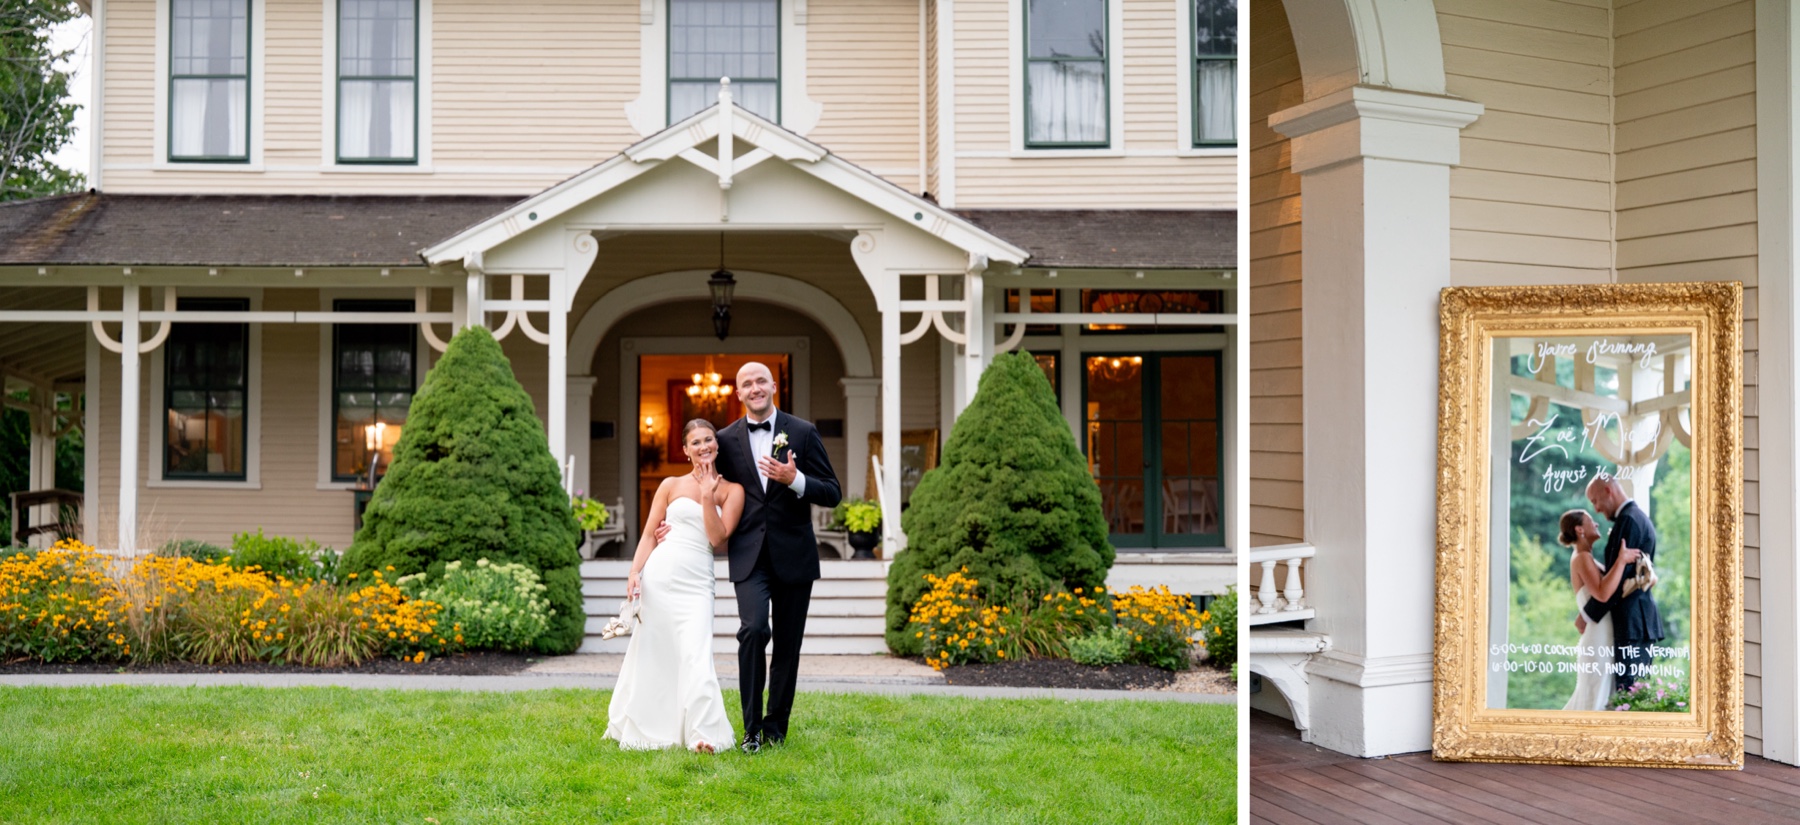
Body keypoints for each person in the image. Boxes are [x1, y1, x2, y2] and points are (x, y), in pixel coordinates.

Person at [669, 361, 841, 754]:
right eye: (746, 383)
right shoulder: (725, 440)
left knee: (787, 646)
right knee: (753, 631)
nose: (755, 387)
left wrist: (794, 480)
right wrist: (671, 526)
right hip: (748, 555)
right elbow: (706, 483)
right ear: (738, 393)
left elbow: (832, 491)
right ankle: (751, 731)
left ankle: (775, 730)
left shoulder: (803, 432)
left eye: (761, 380)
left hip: (794, 555)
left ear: (774, 386)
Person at [604, 419, 744, 754]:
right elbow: (650, 533)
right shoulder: (670, 485)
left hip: (697, 582)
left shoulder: (732, 491)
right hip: (660, 576)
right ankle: (650, 730)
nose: (703, 447)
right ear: (685, 450)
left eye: (708, 440)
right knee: (655, 653)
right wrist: (635, 572)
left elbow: (717, 537)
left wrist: (709, 495)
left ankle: (703, 735)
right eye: (695, 442)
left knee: (696, 654)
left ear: (717, 444)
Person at [1576, 476, 1666, 693]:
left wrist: (1587, 615)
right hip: (1637, 623)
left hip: (1633, 624)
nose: (1596, 509)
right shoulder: (1636, 518)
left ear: (1608, 490)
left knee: (1628, 697)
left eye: (1595, 501)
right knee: (1631, 695)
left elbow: (1619, 582)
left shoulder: (1628, 522)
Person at [1556, 508, 1641, 711]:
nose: (1596, 524)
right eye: (1590, 521)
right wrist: (1621, 560)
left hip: (1601, 633)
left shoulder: (1586, 557)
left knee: (1601, 693)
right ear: (1579, 530)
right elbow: (1602, 594)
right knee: (1595, 696)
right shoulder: (1581, 557)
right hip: (1597, 637)